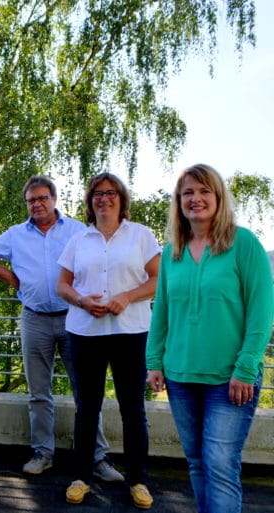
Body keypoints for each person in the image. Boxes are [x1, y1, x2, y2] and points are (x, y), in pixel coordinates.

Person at [0, 175, 122, 481]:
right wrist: (11, 278)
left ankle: (97, 457)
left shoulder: (78, 231)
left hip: (75, 319)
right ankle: (43, 453)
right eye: (31, 200)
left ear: (54, 199)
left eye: (42, 198)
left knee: (86, 391)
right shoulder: (15, 235)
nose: (37, 204)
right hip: (34, 319)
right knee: (39, 393)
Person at [146, 164, 273, 513]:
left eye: (204, 191)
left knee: (219, 464)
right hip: (180, 375)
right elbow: (162, 311)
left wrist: (246, 367)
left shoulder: (243, 243)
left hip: (229, 379)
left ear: (218, 197)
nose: (196, 198)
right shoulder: (173, 250)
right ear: (179, 201)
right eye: (188, 192)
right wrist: (154, 361)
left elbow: (262, 311)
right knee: (197, 462)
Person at [56, 172, 161, 509]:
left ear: (122, 198)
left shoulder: (141, 235)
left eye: (111, 192)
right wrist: (81, 301)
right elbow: (62, 285)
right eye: (98, 194)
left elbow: (158, 279)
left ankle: (138, 480)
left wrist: (127, 297)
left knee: (133, 408)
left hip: (131, 332)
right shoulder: (79, 240)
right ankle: (81, 478)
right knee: (87, 409)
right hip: (85, 332)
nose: (104, 198)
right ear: (90, 201)